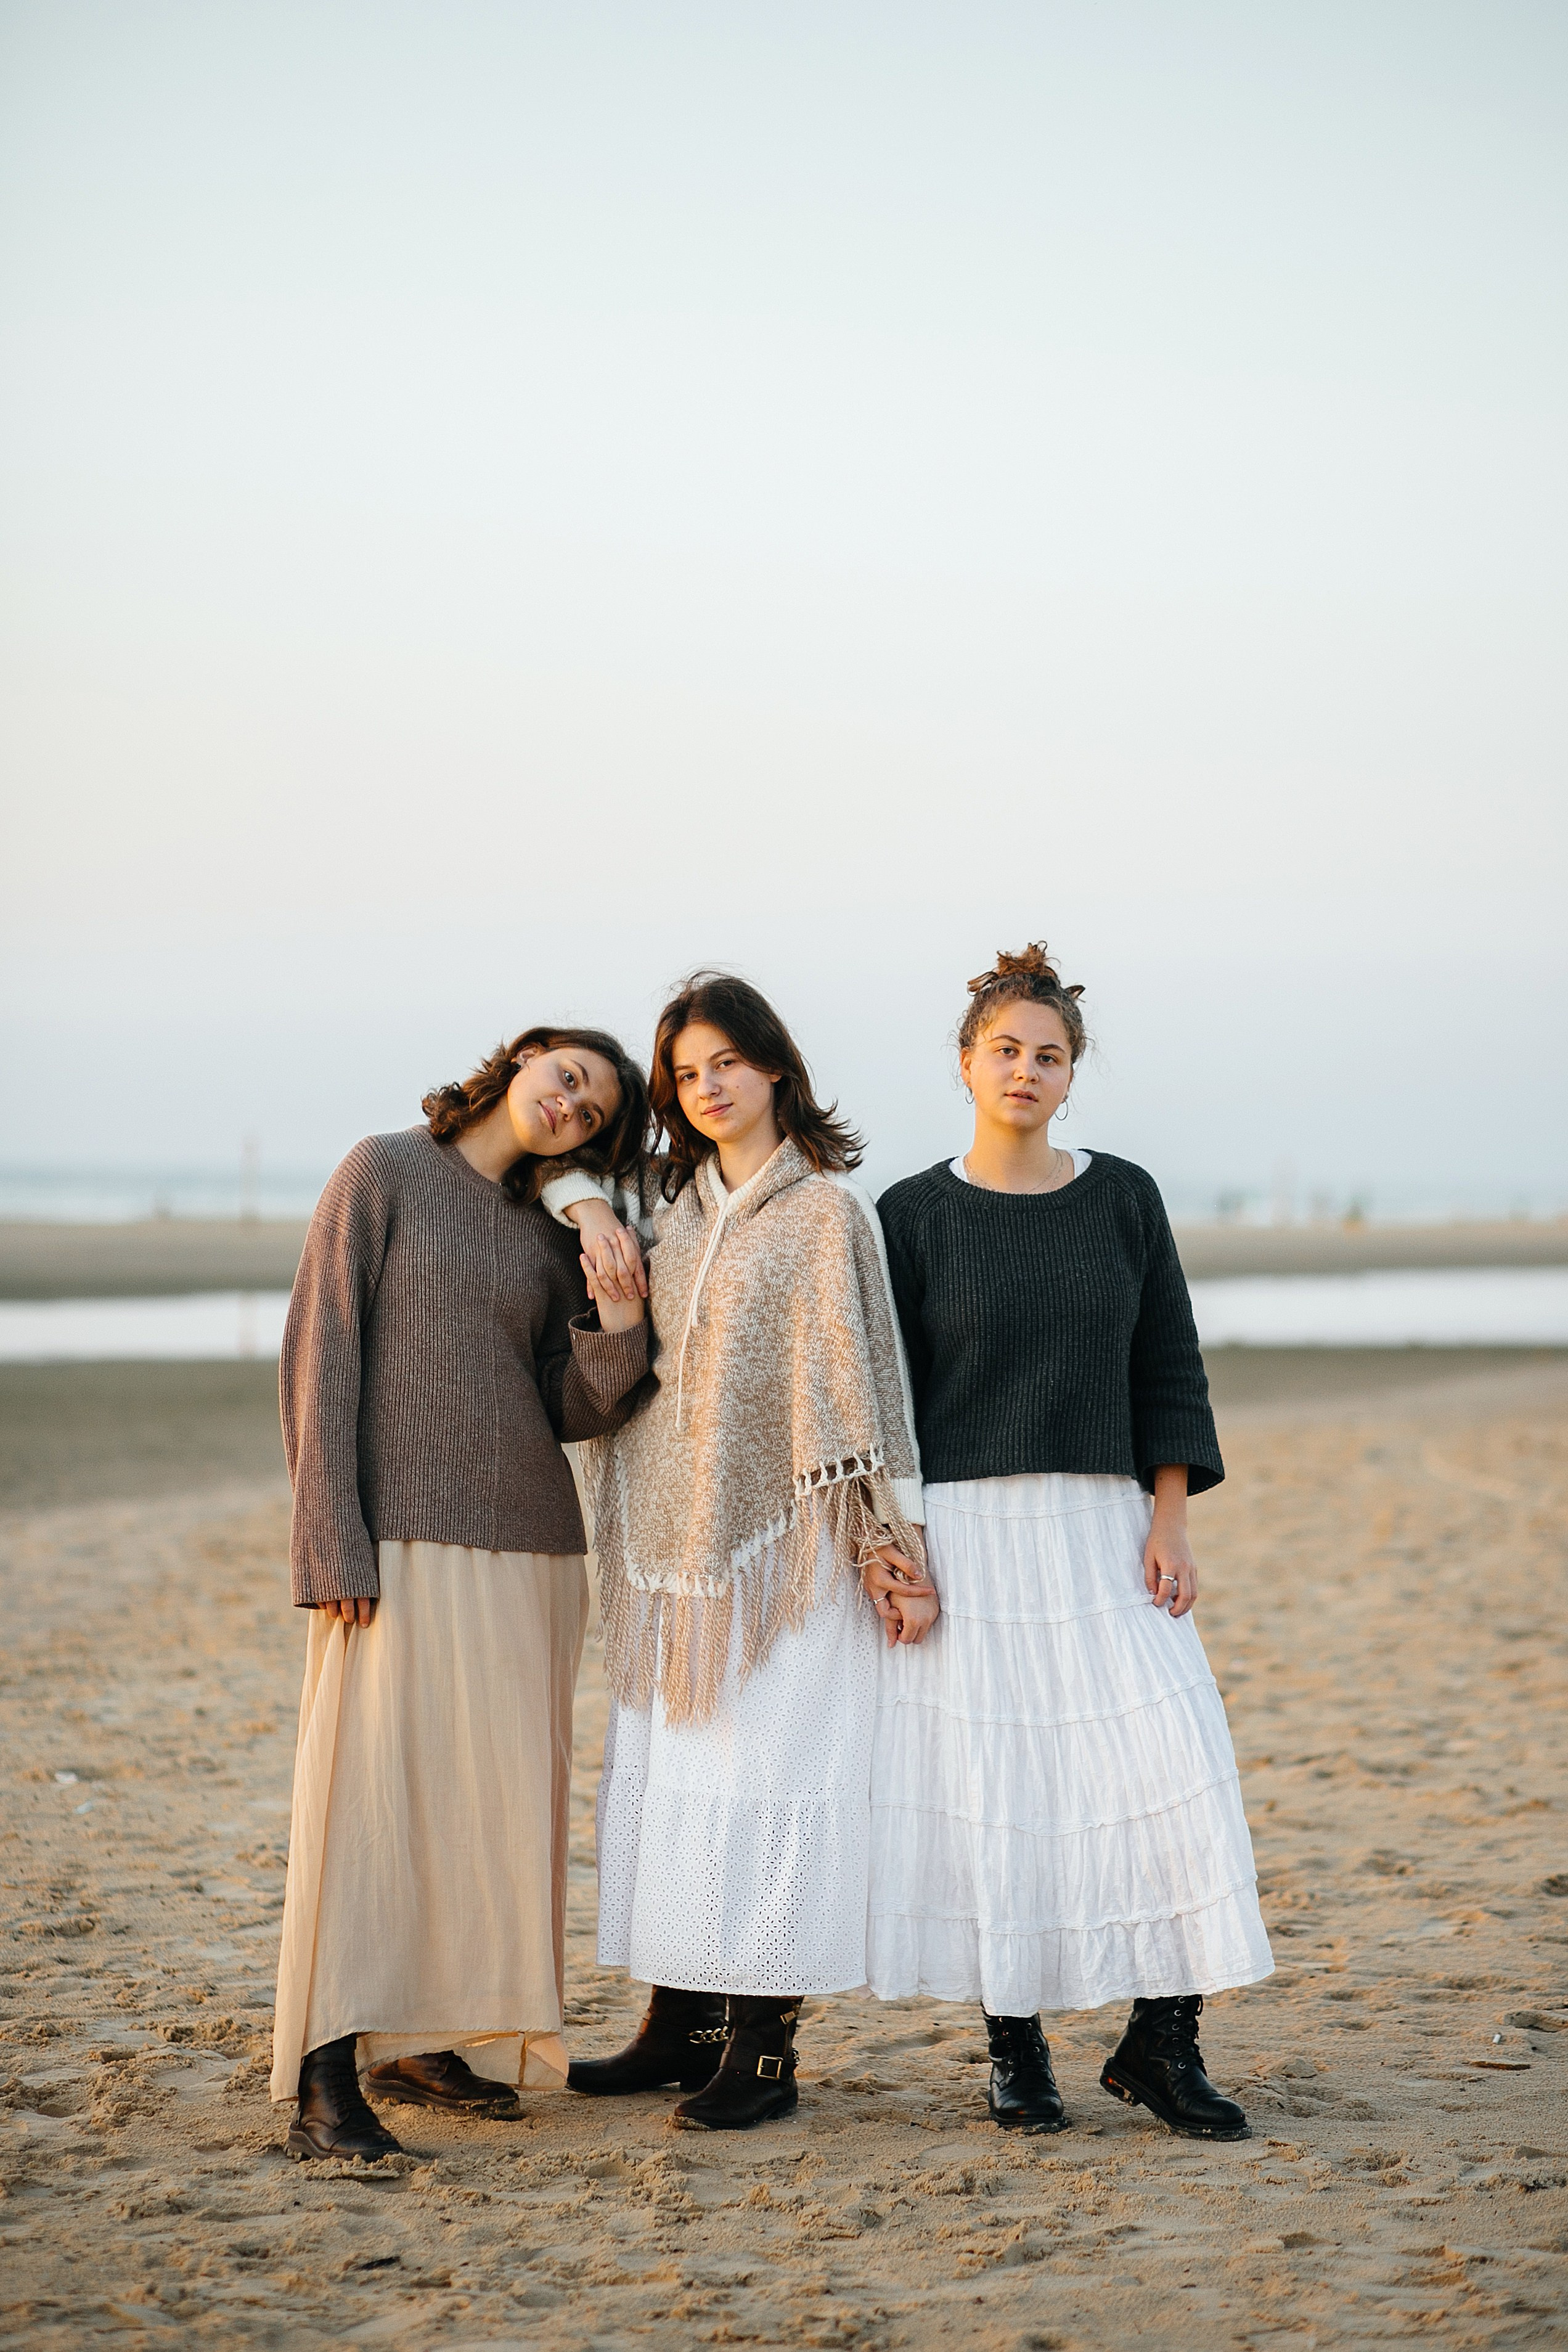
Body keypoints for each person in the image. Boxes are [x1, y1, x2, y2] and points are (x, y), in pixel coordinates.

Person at [868, 944, 1273, 2140]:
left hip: (1104, 1529)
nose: (1026, 1070)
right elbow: (887, 1401)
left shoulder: (1123, 1197)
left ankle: (1163, 2041)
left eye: (1049, 1055)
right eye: (1006, 1049)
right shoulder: (911, 1213)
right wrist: (902, 1552)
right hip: (970, 1536)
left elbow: (1168, 1364)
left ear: (1070, 1074)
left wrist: (1169, 1518)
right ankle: (1015, 2051)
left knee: (1171, 1772)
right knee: (1005, 1798)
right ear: (965, 1062)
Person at [549, 974, 937, 2130]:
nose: (707, 1087)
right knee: (678, 1781)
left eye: (725, 1061)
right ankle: (681, 2025)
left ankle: (763, 2052)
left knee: (772, 1789)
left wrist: (883, 1540)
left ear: (774, 1065)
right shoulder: (665, 1211)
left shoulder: (826, 1215)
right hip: (672, 1555)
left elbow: (859, 1387)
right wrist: (584, 1211)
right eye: (684, 1072)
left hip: (792, 1559)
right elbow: (549, 1169)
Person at [270, 1026, 652, 2160]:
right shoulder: (382, 1170)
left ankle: (433, 2042)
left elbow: (571, 1407)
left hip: (534, 1546)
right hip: (398, 1538)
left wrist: (619, 1322)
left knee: (490, 1811)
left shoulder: (551, 1231)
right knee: (368, 1804)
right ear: (524, 1057)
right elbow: (319, 1351)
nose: (570, 1109)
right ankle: (323, 2079)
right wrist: (329, 1537)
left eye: (592, 1115)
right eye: (567, 1080)